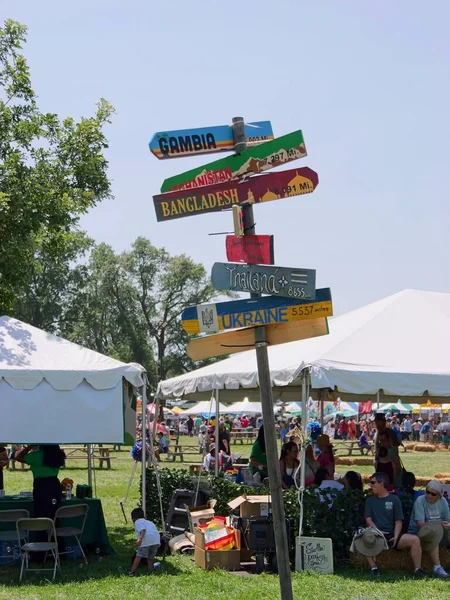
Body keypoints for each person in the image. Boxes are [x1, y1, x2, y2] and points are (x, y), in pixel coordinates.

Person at [364, 472, 424, 577]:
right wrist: (377, 531)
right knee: (363, 538)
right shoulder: (370, 500)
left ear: (381, 484)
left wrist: (396, 537)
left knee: (415, 540)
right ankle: (374, 568)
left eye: (373, 483)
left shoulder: (394, 499)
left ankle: (417, 569)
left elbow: (398, 521)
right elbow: (368, 519)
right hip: (376, 534)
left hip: (391, 535)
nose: (370, 485)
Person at [407, 480, 450, 578]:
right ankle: (437, 567)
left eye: (433, 494)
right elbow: (421, 524)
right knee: (432, 532)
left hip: (439, 530)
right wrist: (439, 525)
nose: (429, 495)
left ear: (439, 495)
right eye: (427, 492)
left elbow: (448, 520)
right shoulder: (420, 500)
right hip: (419, 532)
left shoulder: (443, 501)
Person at [15, 445, 66, 518]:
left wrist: (30, 446)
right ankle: (54, 527)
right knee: (54, 511)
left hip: (41, 485)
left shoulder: (36, 455)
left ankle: (42, 527)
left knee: (41, 511)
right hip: (55, 484)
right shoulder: (58, 455)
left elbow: (18, 457)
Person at [128, 508, 160, 576]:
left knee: (139, 556)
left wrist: (139, 539)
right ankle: (150, 571)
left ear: (133, 518)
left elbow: (143, 530)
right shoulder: (149, 522)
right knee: (150, 558)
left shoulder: (138, 522)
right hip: (155, 541)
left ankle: (132, 571)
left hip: (146, 540)